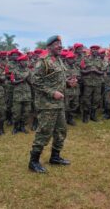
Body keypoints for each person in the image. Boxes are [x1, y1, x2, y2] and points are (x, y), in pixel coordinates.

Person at [28, 35, 70, 173]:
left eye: (61, 43)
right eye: (57, 43)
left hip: (58, 104)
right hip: (47, 105)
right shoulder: (43, 62)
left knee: (61, 131)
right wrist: (52, 93)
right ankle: (33, 162)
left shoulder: (58, 60)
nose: (60, 46)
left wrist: (69, 84)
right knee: (44, 132)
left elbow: (57, 80)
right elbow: (35, 81)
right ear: (49, 46)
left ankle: (55, 157)